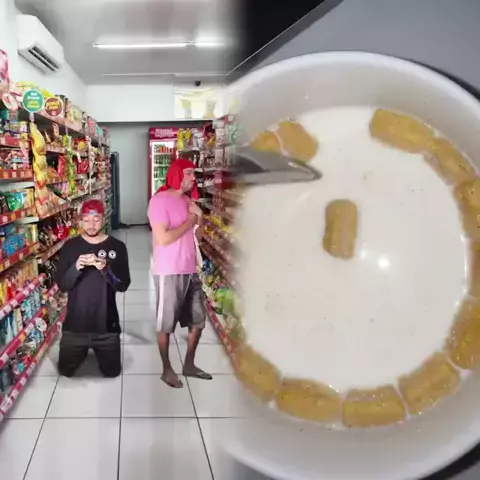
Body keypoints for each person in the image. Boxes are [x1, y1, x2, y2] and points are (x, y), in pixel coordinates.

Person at [148, 158, 212, 388]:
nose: (193, 178)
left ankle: (189, 365)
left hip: (190, 268)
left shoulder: (188, 201)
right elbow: (163, 238)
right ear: (176, 174)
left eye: (194, 173)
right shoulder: (159, 201)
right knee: (166, 324)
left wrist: (200, 217)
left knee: (198, 320)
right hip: (169, 270)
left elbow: (198, 238)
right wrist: (190, 220)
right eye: (188, 173)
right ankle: (167, 369)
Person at [55, 199, 130, 377]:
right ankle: (80, 351)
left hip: (106, 326)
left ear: (103, 218)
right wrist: (76, 267)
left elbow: (122, 285)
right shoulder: (70, 247)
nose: (91, 225)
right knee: (65, 371)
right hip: (75, 326)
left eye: (96, 219)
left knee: (112, 372)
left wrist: (105, 269)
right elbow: (63, 285)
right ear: (80, 220)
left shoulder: (117, 247)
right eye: (86, 220)